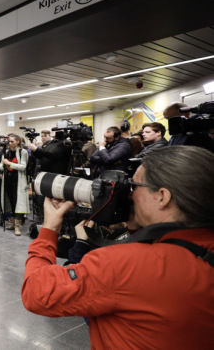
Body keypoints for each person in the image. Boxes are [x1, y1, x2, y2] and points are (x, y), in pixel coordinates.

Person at [22, 146, 214, 349]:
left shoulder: (123, 265)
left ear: (162, 197)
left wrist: (50, 229)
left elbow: (37, 292)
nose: (128, 196)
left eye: (134, 187)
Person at [0, 133, 30, 236]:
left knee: (18, 202)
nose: (10, 143)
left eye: (12, 141)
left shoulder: (23, 152)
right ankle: (12, 222)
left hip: (18, 180)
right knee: (11, 201)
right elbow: (1, 165)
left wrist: (9, 164)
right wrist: (3, 165)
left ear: (17, 141)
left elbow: (23, 166)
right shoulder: (7, 152)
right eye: (9, 142)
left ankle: (18, 226)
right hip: (8, 179)